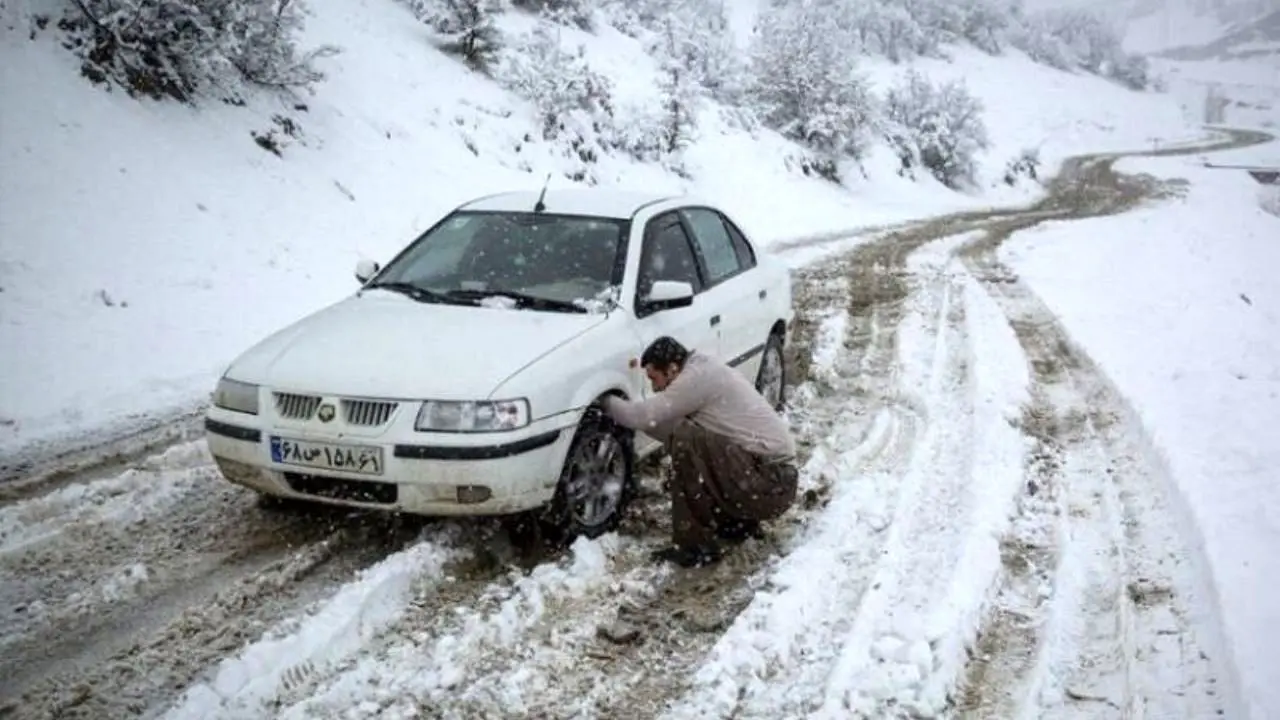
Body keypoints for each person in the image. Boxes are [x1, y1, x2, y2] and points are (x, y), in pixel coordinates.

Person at [601, 336, 799, 568]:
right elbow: (661, 426)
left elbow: (643, 417)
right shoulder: (702, 368)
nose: (655, 388)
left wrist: (602, 401)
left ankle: (696, 547)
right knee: (695, 440)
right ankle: (736, 524)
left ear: (673, 368)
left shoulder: (695, 379)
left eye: (654, 378)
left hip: (771, 484)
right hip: (768, 479)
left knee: (688, 442)